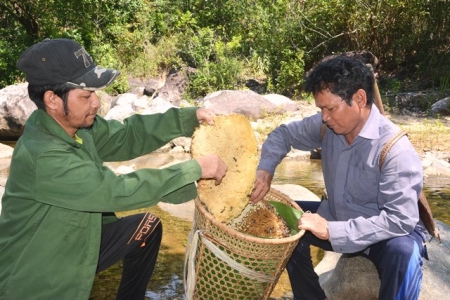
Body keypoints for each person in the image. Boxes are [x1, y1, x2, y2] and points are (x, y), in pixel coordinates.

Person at [0, 38, 227, 300]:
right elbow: (118, 190)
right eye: (86, 95)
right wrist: (193, 169)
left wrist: (188, 118)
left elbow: (128, 136)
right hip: (37, 277)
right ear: (52, 99)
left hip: (75, 239)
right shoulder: (45, 155)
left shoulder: (75, 127)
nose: (96, 103)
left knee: (147, 227)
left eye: (95, 93)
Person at [250, 56, 428, 300]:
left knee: (404, 252)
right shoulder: (329, 126)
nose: (324, 117)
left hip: (383, 235)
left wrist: (332, 231)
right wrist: (265, 170)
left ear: (360, 99)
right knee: (280, 219)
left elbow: (399, 220)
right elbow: (282, 135)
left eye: (330, 108)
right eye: (321, 109)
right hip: (336, 215)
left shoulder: (395, 149)